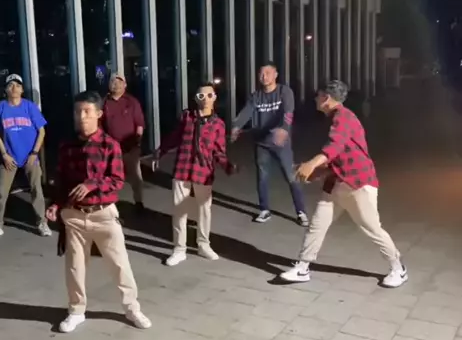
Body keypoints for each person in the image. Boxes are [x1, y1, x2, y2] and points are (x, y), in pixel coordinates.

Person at [280, 80, 408, 287]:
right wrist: (318, 171)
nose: (315, 99)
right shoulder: (334, 117)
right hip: (337, 183)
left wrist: (312, 164)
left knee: (372, 228)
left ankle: (398, 268)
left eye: (318, 95)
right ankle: (302, 268)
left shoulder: (343, 117)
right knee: (317, 225)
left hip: (358, 183)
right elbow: (338, 156)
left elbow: (334, 146)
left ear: (326, 98)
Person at [45, 90, 151, 333]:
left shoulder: (109, 145)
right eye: (77, 112)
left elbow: (117, 180)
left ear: (99, 114)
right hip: (74, 216)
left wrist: (92, 184)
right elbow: (61, 180)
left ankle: (132, 308)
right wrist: (55, 204)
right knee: (75, 268)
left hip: (104, 215)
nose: (81, 117)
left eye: (87, 111)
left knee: (119, 265)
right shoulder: (67, 146)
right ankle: (76, 311)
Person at [153, 82, 236, 267]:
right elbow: (174, 137)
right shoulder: (187, 117)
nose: (205, 99)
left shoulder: (218, 124)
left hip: (203, 171)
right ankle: (179, 249)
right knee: (179, 210)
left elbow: (219, 150)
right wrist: (161, 151)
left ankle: (203, 244)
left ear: (215, 98)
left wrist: (227, 166)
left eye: (209, 95)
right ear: (195, 99)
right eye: (201, 96)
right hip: (182, 169)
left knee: (204, 210)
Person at [231, 62, 308, 226]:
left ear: (275, 75)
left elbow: (288, 112)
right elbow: (246, 112)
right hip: (261, 142)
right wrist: (236, 126)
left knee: (290, 175)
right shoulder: (256, 96)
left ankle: (301, 211)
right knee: (262, 177)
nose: (264, 76)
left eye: (267, 73)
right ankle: (264, 210)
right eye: (261, 73)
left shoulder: (284, 92)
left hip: (281, 143)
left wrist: (284, 129)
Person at [0, 74, 50, 239]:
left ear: (22, 89)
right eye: (10, 85)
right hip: (10, 157)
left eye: (18, 85)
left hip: (30, 156)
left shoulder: (29, 106)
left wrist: (34, 153)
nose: (14, 88)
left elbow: (41, 131)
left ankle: (42, 223)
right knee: (1, 192)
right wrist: (4, 154)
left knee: (36, 190)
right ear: (6, 90)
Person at [101, 73, 146, 212]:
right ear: (109, 85)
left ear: (125, 85)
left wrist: (137, 143)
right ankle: (111, 205)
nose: (116, 85)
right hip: (111, 149)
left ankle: (139, 202)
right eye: (113, 82)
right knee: (110, 178)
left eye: (120, 82)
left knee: (135, 177)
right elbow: (100, 125)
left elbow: (139, 124)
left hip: (130, 147)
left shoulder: (132, 102)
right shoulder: (104, 103)